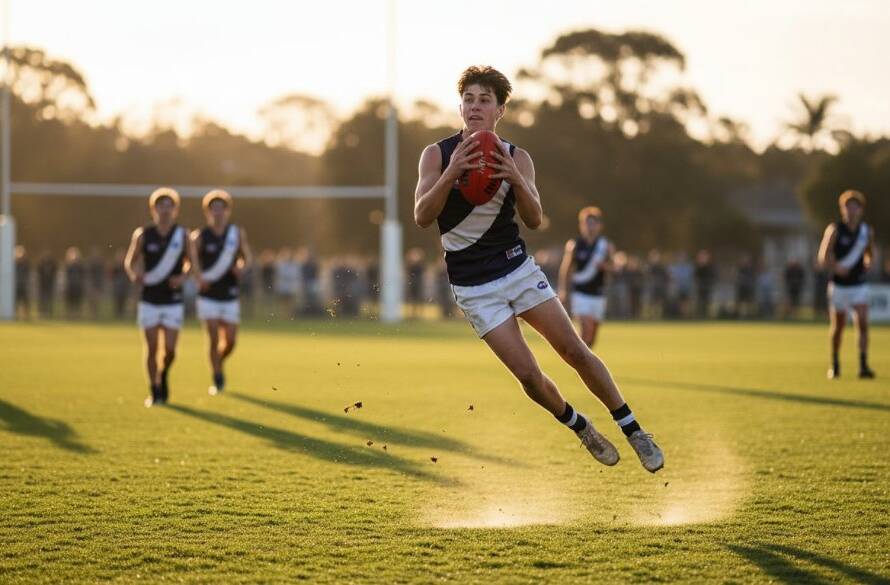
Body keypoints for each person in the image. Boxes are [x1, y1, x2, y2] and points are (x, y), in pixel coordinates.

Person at [413, 65, 663, 472]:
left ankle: (633, 429)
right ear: (460, 106)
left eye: (485, 100)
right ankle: (580, 426)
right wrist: (452, 173)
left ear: (500, 110)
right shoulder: (436, 154)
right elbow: (423, 215)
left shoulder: (518, 157)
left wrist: (516, 179)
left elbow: (534, 219)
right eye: (469, 99)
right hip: (474, 286)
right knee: (529, 376)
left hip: (517, 270)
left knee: (573, 350)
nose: (475, 107)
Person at [124, 188, 189, 406]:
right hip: (150, 298)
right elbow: (130, 262)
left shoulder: (183, 235)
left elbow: (193, 265)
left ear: (175, 210)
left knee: (170, 349)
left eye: (169, 206)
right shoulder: (143, 234)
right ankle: (154, 389)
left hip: (173, 299)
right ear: (154, 209)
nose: (165, 210)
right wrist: (135, 274)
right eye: (161, 206)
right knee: (151, 347)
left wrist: (182, 278)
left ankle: (163, 374)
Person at [190, 190, 253, 395]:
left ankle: (218, 362)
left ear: (227, 211)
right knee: (213, 336)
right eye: (213, 209)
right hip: (208, 295)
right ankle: (217, 377)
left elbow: (247, 258)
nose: (217, 213)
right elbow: (191, 262)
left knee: (231, 341)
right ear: (208, 212)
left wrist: (241, 268)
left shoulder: (236, 233)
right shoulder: (200, 236)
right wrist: (199, 278)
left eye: (221, 208)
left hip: (229, 293)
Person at [817, 190, 876, 379]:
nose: (851, 211)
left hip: (859, 285)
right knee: (838, 327)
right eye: (847, 207)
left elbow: (869, 253)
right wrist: (836, 267)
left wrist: (868, 262)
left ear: (860, 210)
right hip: (839, 286)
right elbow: (822, 257)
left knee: (863, 323)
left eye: (854, 207)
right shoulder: (834, 229)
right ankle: (835, 364)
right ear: (843, 209)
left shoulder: (866, 231)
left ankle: (863, 364)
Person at [559, 207, 614, 348]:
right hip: (580, 294)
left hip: (598, 295)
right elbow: (566, 269)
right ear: (581, 225)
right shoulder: (574, 245)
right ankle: (580, 363)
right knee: (586, 330)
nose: (590, 227)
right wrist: (564, 291)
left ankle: (584, 363)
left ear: (599, 226)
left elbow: (614, 268)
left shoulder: (605, 246)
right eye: (586, 223)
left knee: (591, 339)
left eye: (593, 223)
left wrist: (605, 266)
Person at [14, 245, 31, 320]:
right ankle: (16, 315)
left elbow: (27, 273)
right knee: (16, 301)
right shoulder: (14, 264)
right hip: (16, 285)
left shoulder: (26, 263)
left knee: (25, 301)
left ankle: (25, 316)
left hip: (23, 284)